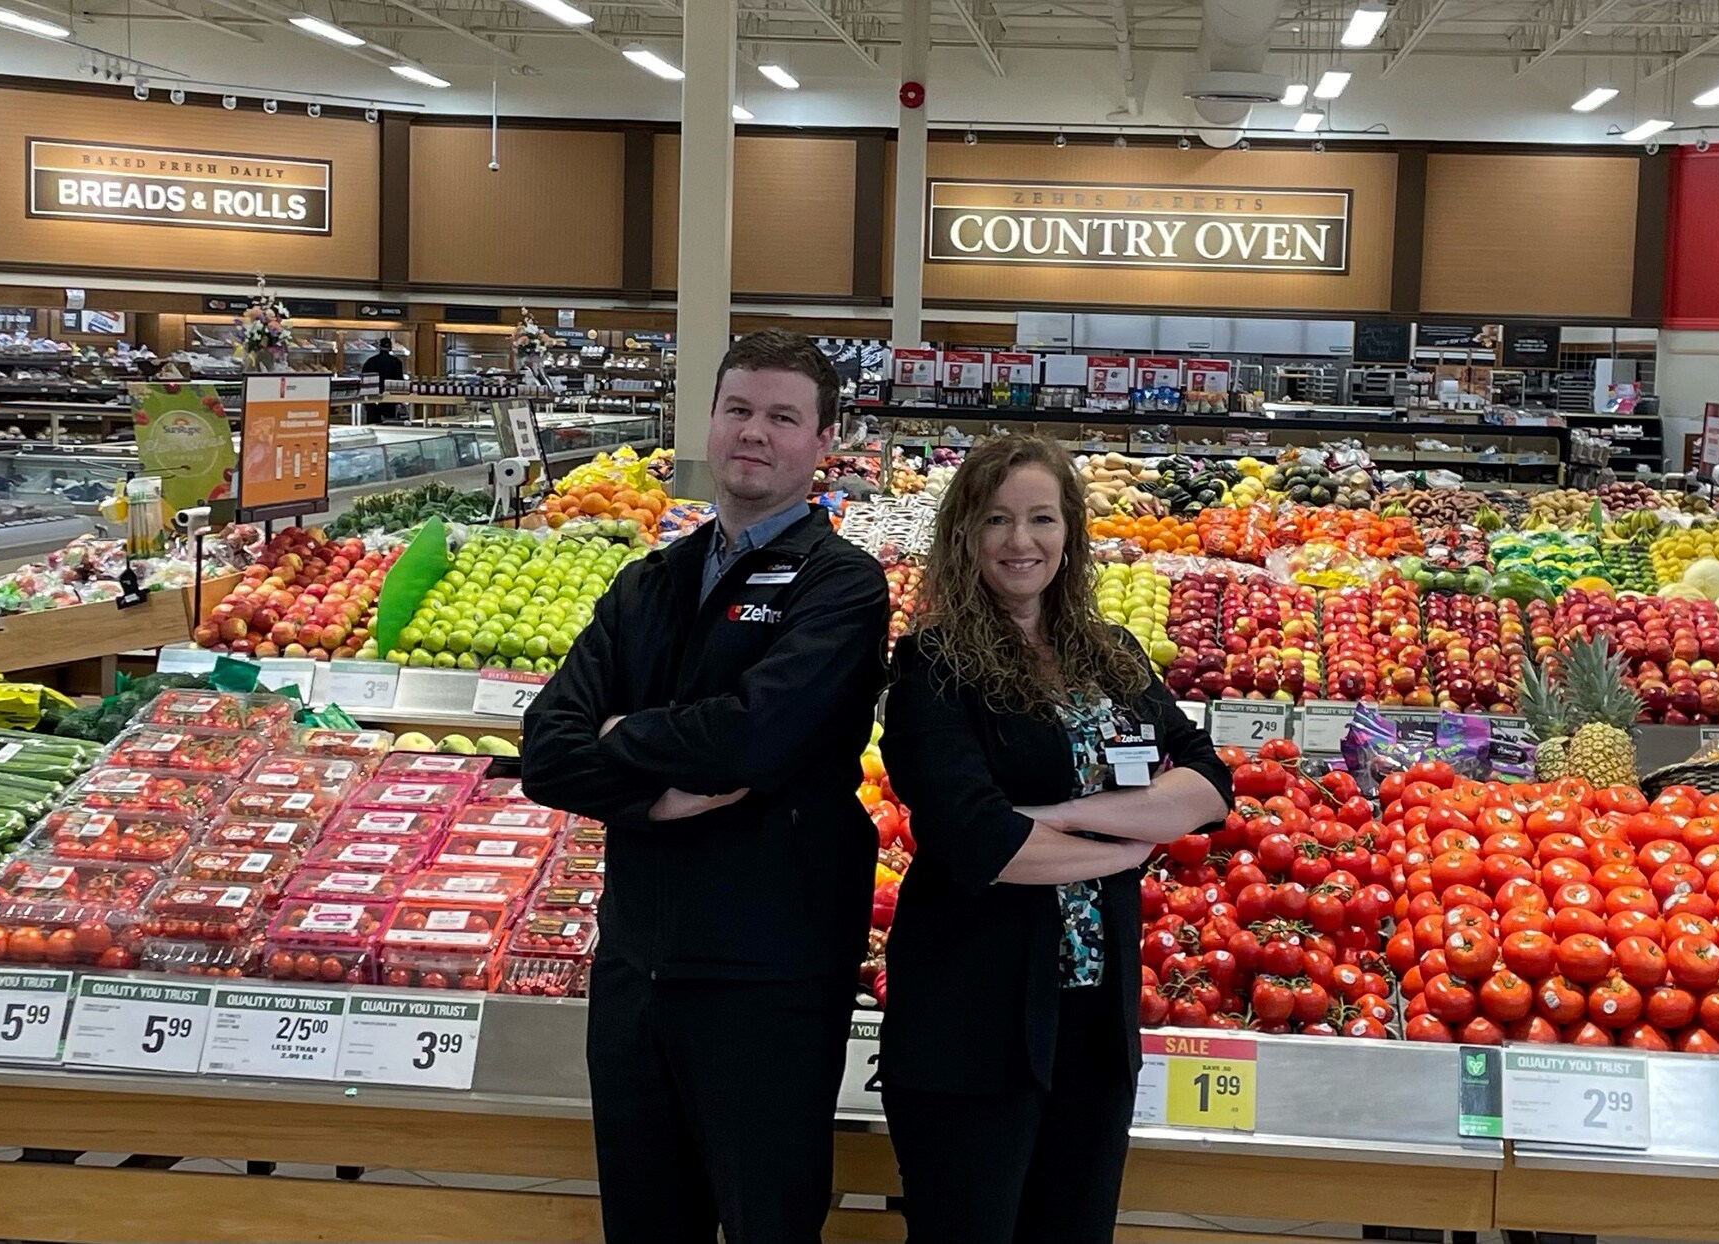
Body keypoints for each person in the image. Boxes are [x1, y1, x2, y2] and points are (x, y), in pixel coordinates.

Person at [519, 328, 890, 1244]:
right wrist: (653, 790)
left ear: (823, 441)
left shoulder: (842, 586)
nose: (754, 433)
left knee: (768, 1221)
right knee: (644, 1224)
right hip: (638, 963)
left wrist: (622, 737)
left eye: (782, 416)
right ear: (710, 423)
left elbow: (757, 736)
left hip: (770, 972)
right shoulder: (649, 581)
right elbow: (545, 748)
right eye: (738, 410)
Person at [879, 434, 1230, 1244]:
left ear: (1070, 532)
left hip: (1096, 1025)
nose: (1020, 541)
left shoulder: (1112, 656)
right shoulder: (934, 667)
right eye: (996, 519)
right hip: (974, 1024)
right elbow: (979, 844)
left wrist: (1061, 816)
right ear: (963, 534)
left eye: (1041, 518)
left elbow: (1209, 784)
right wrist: (1129, 841)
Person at [360, 337, 405, 423]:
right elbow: (400, 381)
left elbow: (364, 380)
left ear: (379, 347)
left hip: (372, 398)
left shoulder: (370, 361)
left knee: (373, 422)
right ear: (390, 347)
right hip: (390, 398)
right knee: (388, 423)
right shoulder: (396, 362)